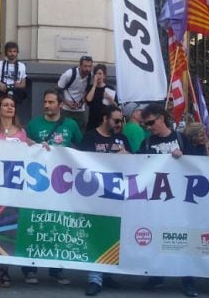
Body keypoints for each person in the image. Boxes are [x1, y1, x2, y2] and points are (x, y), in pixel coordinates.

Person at [0, 95, 39, 287]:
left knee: (7, 229)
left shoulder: (21, 132)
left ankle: (4, 270)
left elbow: (31, 152)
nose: (9, 108)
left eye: (12, 105)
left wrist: (40, 148)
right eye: (5, 105)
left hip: (13, 189)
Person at [138, 104, 197, 297]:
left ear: (162, 118)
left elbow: (199, 164)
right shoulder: (146, 143)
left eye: (151, 122)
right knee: (156, 237)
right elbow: (137, 167)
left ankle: (188, 279)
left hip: (181, 201)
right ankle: (157, 276)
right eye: (145, 124)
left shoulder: (182, 139)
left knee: (184, 239)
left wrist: (185, 157)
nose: (149, 127)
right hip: (156, 201)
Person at [21, 89, 78, 285]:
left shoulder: (70, 125)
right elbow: (24, 149)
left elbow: (81, 149)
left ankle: (57, 270)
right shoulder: (34, 124)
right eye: (45, 102)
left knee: (59, 226)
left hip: (63, 186)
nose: (47, 105)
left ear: (60, 104)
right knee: (35, 223)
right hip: (38, 184)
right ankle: (29, 268)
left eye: (51, 102)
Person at [78, 105, 130, 296]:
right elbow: (81, 163)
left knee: (111, 233)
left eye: (121, 121)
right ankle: (95, 279)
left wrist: (127, 156)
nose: (119, 124)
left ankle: (106, 275)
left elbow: (134, 163)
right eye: (116, 120)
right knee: (97, 234)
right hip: (94, 195)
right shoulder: (91, 137)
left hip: (115, 195)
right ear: (105, 118)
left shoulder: (122, 139)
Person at [57, 55, 93, 131]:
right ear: (80, 66)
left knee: (81, 132)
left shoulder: (90, 76)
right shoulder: (68, 75)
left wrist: (83, 101)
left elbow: (87, 90)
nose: (87, 69)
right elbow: (57, 90)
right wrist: (66, 102)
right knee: (64, 130)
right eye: (85, 66)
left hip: (80, 110)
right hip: (66, 109)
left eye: (90, 66)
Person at [84, 64, 117, 131]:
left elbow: (116, 106)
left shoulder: (110, 88)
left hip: (105, 121)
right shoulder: (90, 87)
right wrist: (94, 85)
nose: (98, 75)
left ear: (104, 76)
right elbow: (88, 100)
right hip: (93, 121)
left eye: (100, 73)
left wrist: (109, 98)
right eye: (96, 73)